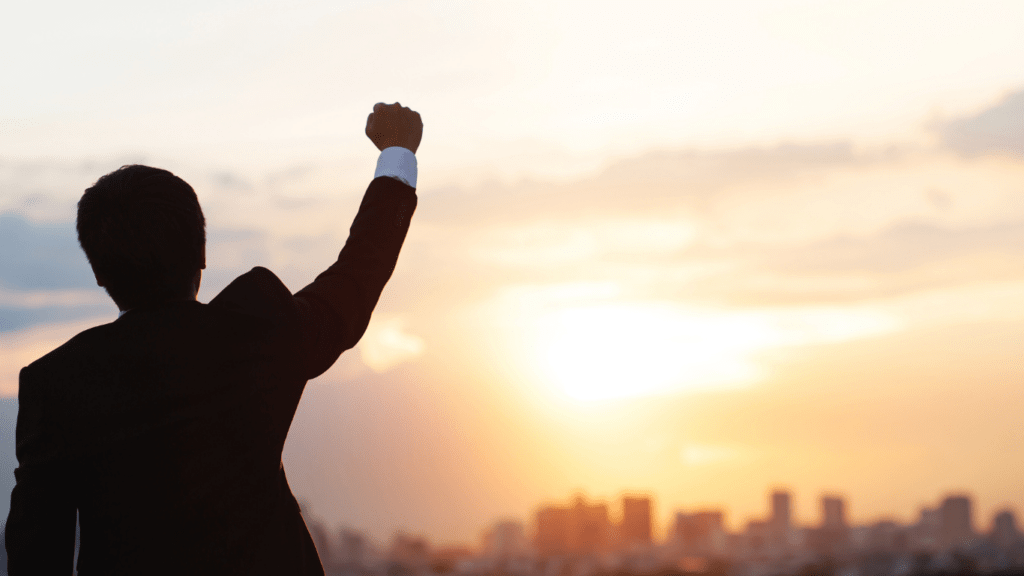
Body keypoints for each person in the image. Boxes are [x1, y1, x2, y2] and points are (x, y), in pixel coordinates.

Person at [4, 103, 423, 575]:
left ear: (99, 272)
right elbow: (355, 278)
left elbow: (36, 555)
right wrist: (397, 152)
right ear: (202, 251)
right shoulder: (256, 330)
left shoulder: (54, 384)